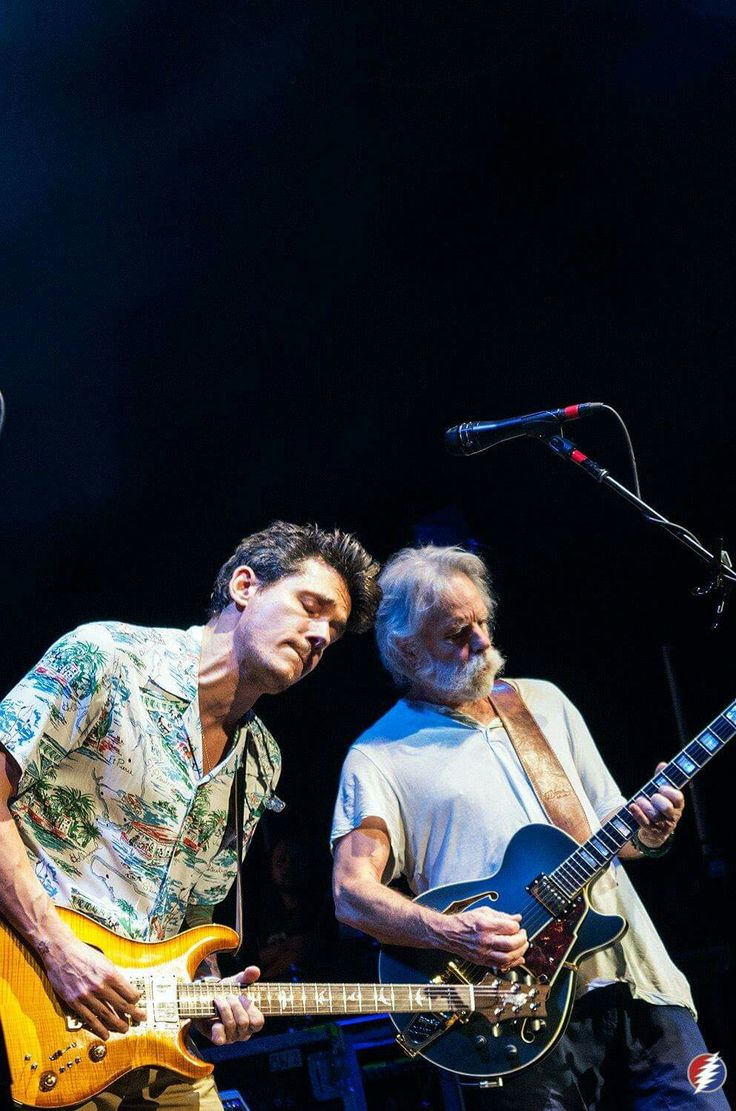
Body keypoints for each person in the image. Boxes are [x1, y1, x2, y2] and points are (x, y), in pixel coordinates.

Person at [0, 520, 380, 1111]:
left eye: (332, 629)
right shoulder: (106, 659)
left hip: (152, 1041)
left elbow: (194, 913)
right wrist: (57, 950)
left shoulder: (261, 760)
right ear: (245, 586)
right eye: (311, 607)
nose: (320, 636)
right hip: (34, 1004)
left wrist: (210, 999)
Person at [331, 545, 727, 1110]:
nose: (482, 643)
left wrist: (654, 830)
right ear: (406, 648)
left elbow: (621, 836)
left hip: (640, 982)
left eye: (483, 623)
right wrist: (452, 933)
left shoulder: (545, 702)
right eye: (456, 633)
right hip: (509, 1016)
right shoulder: (377, 756)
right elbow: (351, 896)